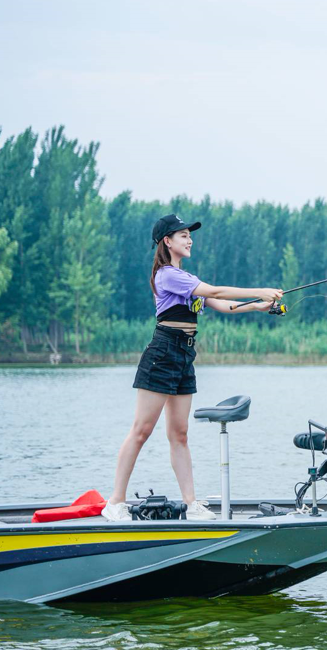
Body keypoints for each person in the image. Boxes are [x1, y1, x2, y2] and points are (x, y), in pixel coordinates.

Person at [101, 214, 283, 521]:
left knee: (180, 434)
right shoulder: (167, 275)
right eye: (183, 235)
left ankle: (191, 503)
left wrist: (257, 304)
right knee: (141, 431)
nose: (190, 239)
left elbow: (221, 304)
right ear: (167, 242)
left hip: (184, 356)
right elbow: (214, 291)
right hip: (162, 354)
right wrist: (259, 289)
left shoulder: (186, 279)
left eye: (190, 235)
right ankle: (115, 502)